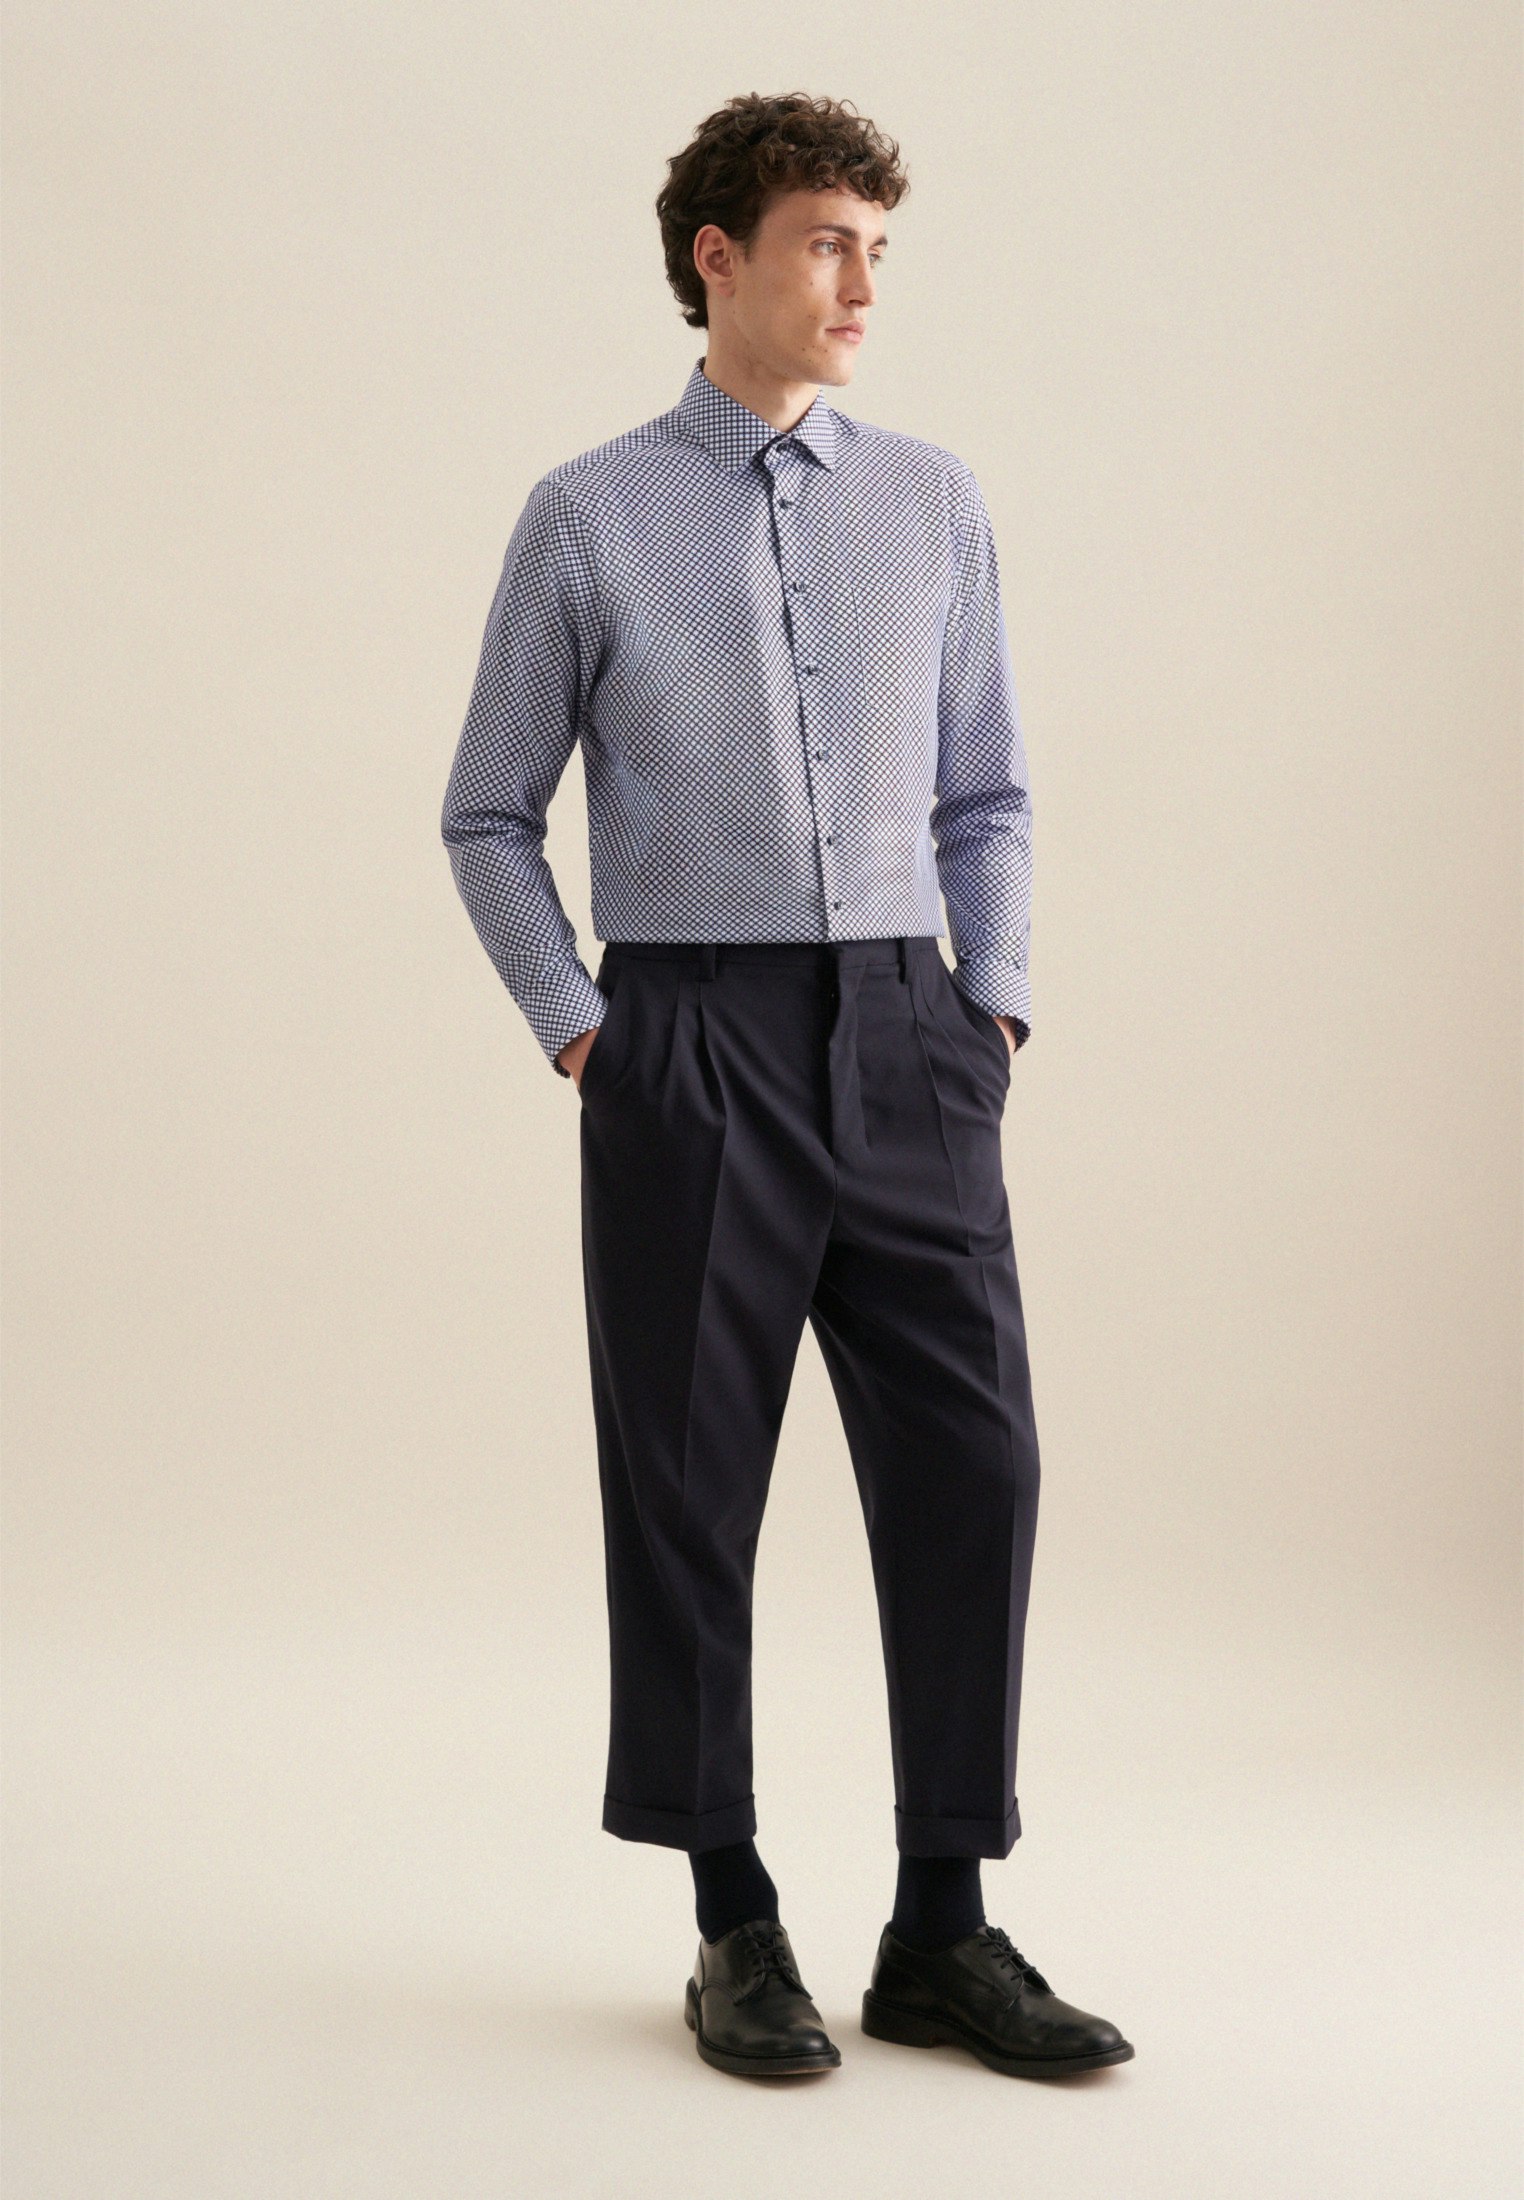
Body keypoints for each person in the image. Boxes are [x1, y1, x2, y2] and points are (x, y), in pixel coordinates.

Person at [440, 89, 1133, 2082]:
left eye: (877, 250)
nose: (861, 285)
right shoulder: (591, 514)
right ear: (718, 257)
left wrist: (991, 1014)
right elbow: (487, 813)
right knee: (688, 1481)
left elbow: (991, 790)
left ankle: (943, 1925)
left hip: (911, 1033)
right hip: (693, 1041)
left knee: (976, 1463)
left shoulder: (933, 500)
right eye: (828, 243)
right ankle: (730, 1914)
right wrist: (590, 1028)